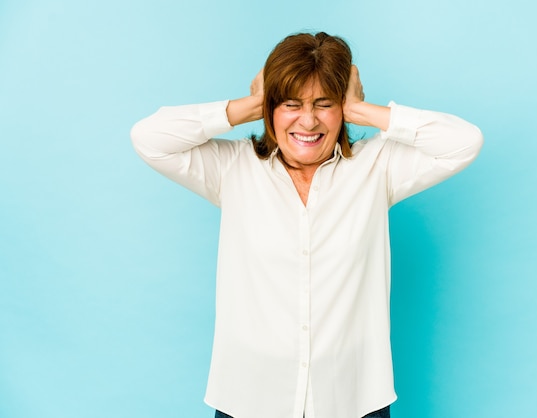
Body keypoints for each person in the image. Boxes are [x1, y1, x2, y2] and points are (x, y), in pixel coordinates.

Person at [131, 32, 483, 418]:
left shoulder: (377, 168)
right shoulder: (233, 169)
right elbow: (148, 138)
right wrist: (248, 105)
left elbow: (464, 141)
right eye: (290, 104)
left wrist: (363, 110)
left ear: (342, 109)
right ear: (271, 109)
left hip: (353, 400)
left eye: (324, 104)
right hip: (249, 400)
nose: (308, 120)